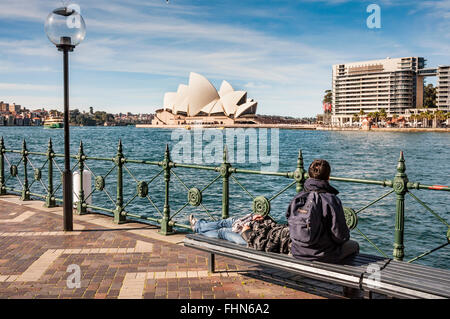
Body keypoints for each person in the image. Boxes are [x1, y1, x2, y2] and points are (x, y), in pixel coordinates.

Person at [286, 159, 359, 263]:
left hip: (297, 251)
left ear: (309, 175)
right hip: (323, 255)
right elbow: (340, 236)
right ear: (328, 177)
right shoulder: (331, 199)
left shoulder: (298, 197)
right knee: (354, 245)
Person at [189, 212, 291, 254]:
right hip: (259, 231)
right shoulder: (295, 231)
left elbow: (266, 245)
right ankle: (198, 226)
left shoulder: (291, 240)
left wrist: (247, 232)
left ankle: (198, 227)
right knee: (230, 221)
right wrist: (265, 220)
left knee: (223, 232)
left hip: (251, 239)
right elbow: (276, 230)